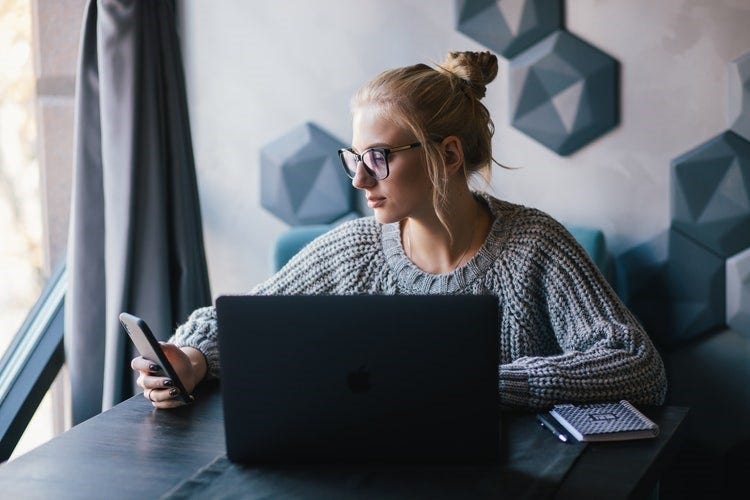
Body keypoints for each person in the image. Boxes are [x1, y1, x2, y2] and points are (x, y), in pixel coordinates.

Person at [132, 50, 667, 410]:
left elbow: (637, 367)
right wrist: (191, 358)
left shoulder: (535, 247)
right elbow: (242, 322)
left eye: (380, 157)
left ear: (449, 154)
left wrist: (472, 385)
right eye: (355, 158)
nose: (360, 178)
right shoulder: (353, 249)